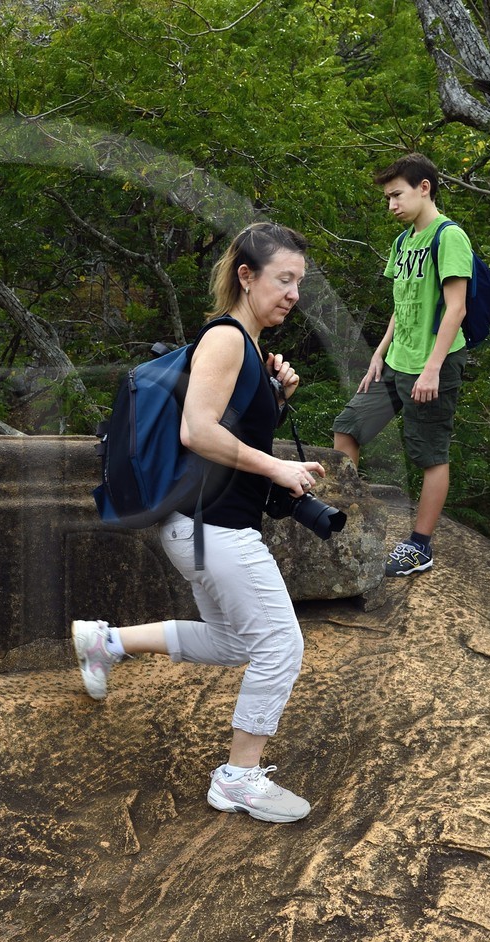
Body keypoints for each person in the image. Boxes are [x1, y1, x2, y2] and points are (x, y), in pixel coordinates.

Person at [72, 222, 323, 824]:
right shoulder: (227, 339)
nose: (293, 294)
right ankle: (237, 778)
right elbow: (197, 432)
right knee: (281, 646)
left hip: (203, 530)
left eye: (299, 284)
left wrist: (275, 397)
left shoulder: (246, 348)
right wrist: (279, 469)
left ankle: (106, 643)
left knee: (239, 641)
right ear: (246, 276)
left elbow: (228, 428)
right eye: (283, 280)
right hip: (215, 530)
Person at [331, 152, 474, 577]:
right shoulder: (402, 241)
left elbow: (456, 309)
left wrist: (432, 368)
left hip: (433, 365)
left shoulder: (448, 237)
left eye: (396, 195)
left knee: (430, 454)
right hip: (396, 361)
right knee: (348, 427)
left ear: (423, 188)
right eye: (387, 197)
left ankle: (420, 546)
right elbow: (403, 303)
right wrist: (379, 352)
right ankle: (349, 523)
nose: (391, 205)